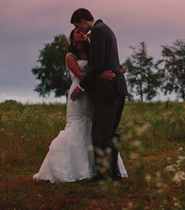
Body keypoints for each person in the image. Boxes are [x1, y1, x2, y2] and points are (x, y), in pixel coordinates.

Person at [33, 28, 127, 182]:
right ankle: (72, 168)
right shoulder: (70, 57)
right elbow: (82, 75)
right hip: (79, 93)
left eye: (83, 32)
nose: (82, 33)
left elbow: (102, 65)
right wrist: (100, 76)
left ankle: (97, 168)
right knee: (78, 126)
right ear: (72, 39)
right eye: (77, 32)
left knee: (94, 128)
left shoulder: (93, 53)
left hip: (92, 93)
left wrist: (118, 69)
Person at [70, 8, 129, 181]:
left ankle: (104, 175)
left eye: (78, 26)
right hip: (117, 89)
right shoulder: (106, 29)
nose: (80, 31)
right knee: (112, 133)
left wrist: (81, 87)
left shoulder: (96, 31)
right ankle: (113, 173)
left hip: (107, 91)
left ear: (82, 21)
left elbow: (96, 65)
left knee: (101, 134)